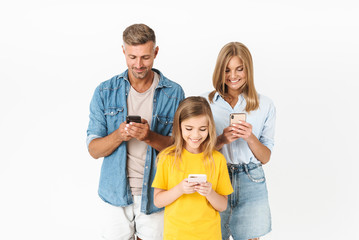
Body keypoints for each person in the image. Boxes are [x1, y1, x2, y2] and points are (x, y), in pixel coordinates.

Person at [86, 23, 185, 240]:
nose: (138, 64)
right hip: (114, 193)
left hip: (156, 192)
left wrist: (149, 137)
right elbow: (93, 150)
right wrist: (119, 135)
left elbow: (180, 147)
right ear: (123, 51)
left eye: (145, 57)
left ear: (156, 52)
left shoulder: (174, 92)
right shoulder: (104, 91)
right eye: (132, 57)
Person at [204, 42, 276, 240]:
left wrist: (250, 138)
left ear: (248, 70)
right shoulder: (205, 103)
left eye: (239, 69)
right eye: (227, 70)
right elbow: (196, 151)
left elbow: (266, 157)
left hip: (251, 178)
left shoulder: (265, 105)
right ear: (219, 71)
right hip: (216, 177)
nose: (233, 76)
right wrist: (221, 140)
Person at [152, 96, 234, 240]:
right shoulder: (166, 157)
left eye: (202, 129)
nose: (195, 135)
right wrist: (180, 189)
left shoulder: (217, 159)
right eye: (189, 128)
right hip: (176, 235)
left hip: (209, 235)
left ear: (210, 128)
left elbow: (223, 206)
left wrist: (210, 193)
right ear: (179, 127)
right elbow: (158, 201)